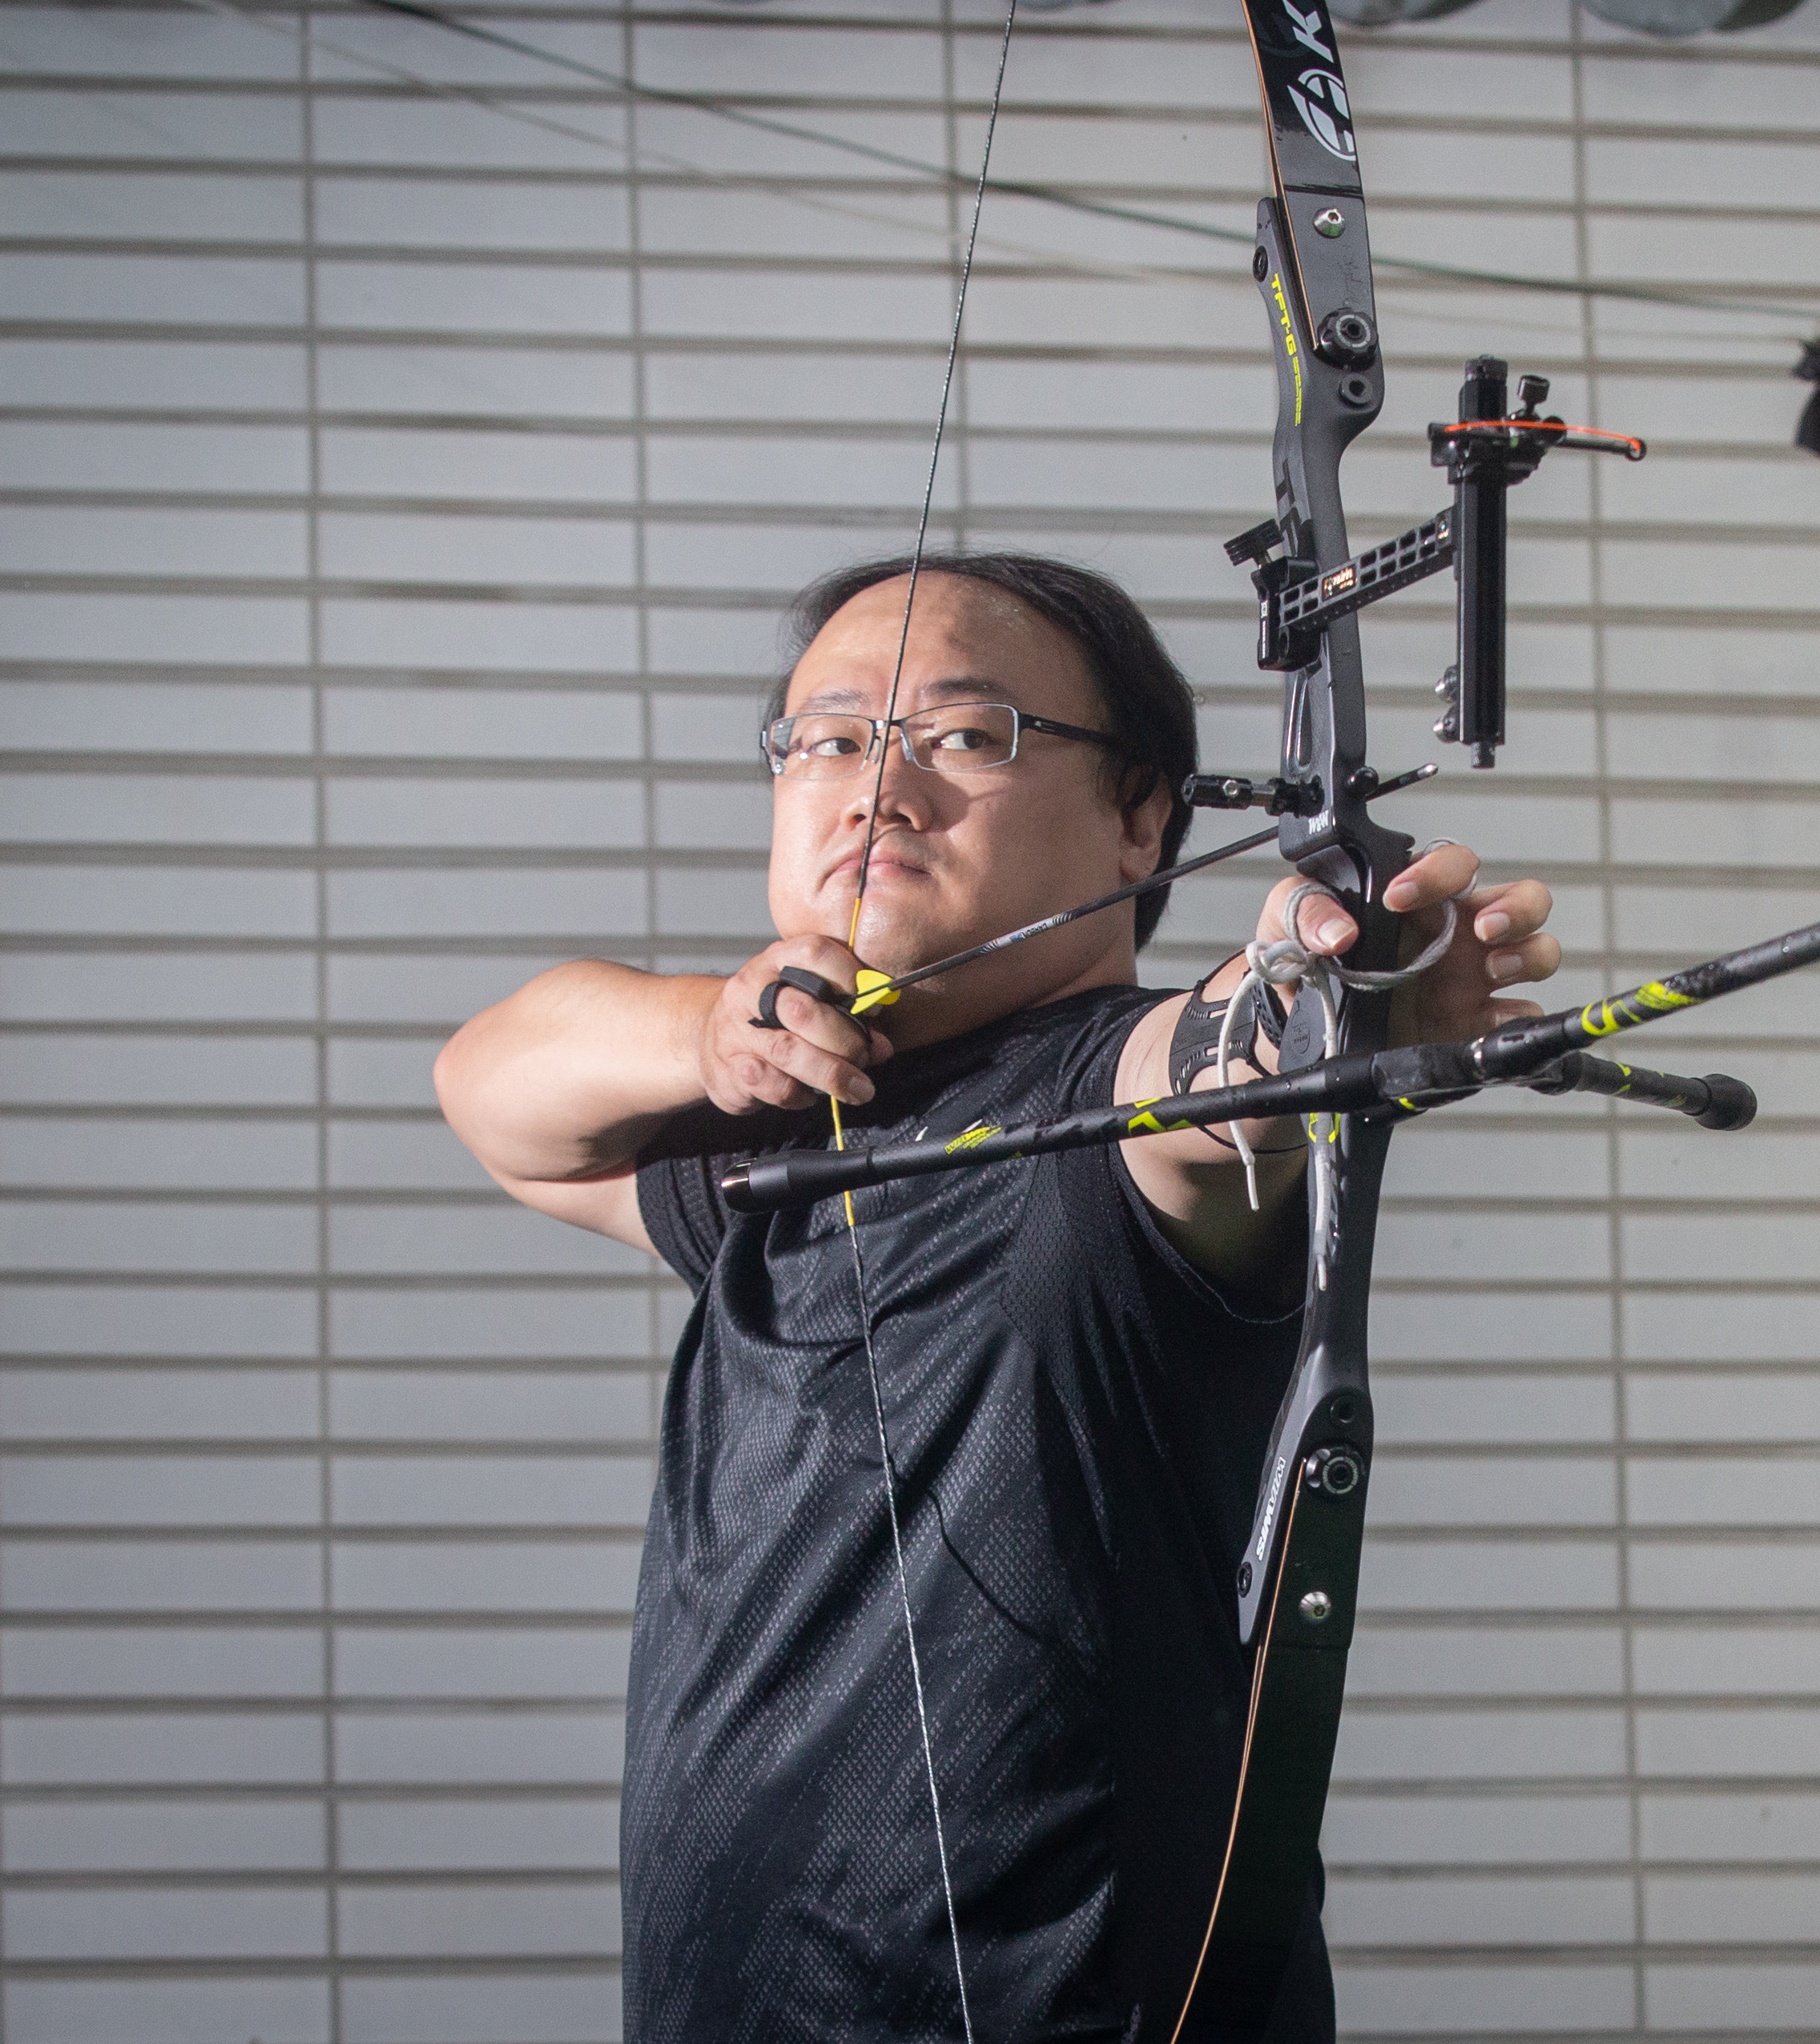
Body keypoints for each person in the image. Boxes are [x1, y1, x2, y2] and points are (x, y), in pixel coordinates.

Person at [432, 550, 1560, 2042]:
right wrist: (713, 1025)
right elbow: (494, 1089)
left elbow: (1223, 1077)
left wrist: (1329, 985)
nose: (877, 788)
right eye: (830, 738)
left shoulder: (1113, 1103)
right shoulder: (797, 1130)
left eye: (965, 737)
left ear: (1141, 817)